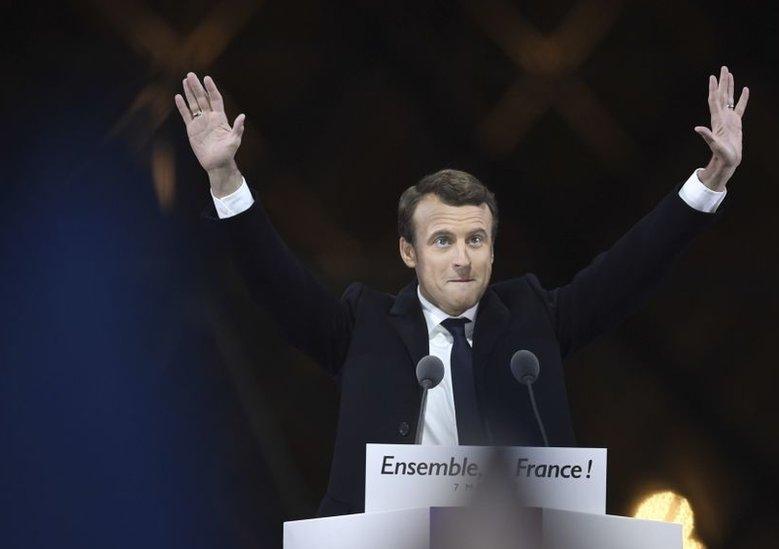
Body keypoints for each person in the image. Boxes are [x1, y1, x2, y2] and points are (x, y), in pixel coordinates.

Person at [174, 66, 749, 516]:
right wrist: (225, 178)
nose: (462, 257)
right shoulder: (361, 325)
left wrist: (710, 180)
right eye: (442, 240)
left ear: (493, 251)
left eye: (476, 239)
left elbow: (629, 269)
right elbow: (275, 283)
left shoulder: (533, 319)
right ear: (409, 253)